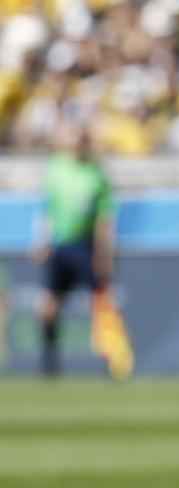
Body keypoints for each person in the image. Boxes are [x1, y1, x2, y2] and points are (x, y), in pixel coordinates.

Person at [34, 123, 120, 378]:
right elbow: (47, 210)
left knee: (102, 303)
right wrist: (42, 241)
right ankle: (50, 363)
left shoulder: (96, 174)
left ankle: (113, 360)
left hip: (86, 246)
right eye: (75, 138)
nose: (78, 144)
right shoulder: (56, 168)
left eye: (83, 139)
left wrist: (104, 254)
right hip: (60, 246)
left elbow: (105, 219)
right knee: (48, 308)